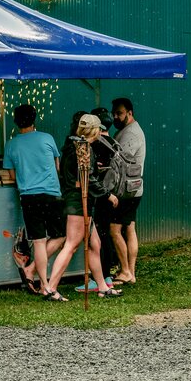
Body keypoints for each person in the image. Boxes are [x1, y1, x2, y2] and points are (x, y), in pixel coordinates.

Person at [44, 114, 122, 301]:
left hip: (77, 200)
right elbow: (88, 179)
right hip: (79, 203)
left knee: (95, 245)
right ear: (94, 130)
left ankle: (102, 287)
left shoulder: (72, 146)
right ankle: (51, 289)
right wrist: (107, 194)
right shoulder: (83, 149)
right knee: (71, 245)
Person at [3, 104, 66, 295]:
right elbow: (57, 166)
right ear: (34, 119)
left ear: (15, 121)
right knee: (60, 235)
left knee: (38, 241)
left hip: (28, 196)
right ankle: (36, 276)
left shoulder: (12, 144)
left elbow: (12, 176)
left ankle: (42, 282)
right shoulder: (47, 138)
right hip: (51, 193)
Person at [74, 107, 117, 292]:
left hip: (96, 197)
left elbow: (87, 177)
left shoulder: (91, 146)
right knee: (100, 238)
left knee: (88, 241)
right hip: (105, 194)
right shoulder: (113, 143)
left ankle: (100, 278)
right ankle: (105, 279)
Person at [110, 97, 146, 286]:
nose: (116, 116)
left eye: (120, 113)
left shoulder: (131, 134)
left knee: (115, 230)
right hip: (134, 189)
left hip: (126, 191)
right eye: (114, 113)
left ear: (130, 113)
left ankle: (125, 270)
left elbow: (120, 161)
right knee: (130, 228)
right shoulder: (126, 130)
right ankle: (131, 272)